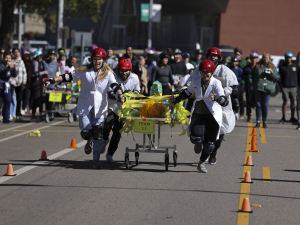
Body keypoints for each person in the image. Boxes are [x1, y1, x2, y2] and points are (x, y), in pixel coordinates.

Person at [42, 48, 124, 169]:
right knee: (86, 132)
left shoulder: (108, 73)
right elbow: (67, 77)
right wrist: (51, 80)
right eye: (95, 59)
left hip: (100, 106)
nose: (97, 61)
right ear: (92, 59)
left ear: (103, 60)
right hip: (85, 105)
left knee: (98, 134)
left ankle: (96, 160)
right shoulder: (84, 71)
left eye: (99, 59)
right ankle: (89, 139)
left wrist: (120, 94)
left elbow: (114, 85)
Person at [171, 60, 229, 173]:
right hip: (199, 113)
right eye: (202, 72)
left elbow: (224, 100)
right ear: (200, 72)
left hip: (212, 115)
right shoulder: (196, 80)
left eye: (207, 73)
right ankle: (198, 142)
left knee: (209, 146)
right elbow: (187, 93)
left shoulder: (216, 83)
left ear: (211, 72)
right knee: (196, 138)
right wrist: (176, 99)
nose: (205, 75)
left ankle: (201, 163)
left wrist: (217, 98)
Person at [186, 47, 238, 164]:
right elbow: (190, 82)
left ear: (219, 58)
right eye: (210, 56)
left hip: (220, 106)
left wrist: (222, 93)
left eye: (215, 56)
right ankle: (201, 144)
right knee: (201, 129)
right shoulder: (202, 66)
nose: (212, 58)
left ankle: (213, 153)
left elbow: (234, 86)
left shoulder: (224, 70)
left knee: (219, 133)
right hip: (204, 104)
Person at [102, 59, 140, 162]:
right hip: (113, 106)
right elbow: (109, 92)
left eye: (126, 71)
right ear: (118, 70)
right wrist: (117, 96)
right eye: (122, 71)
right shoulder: (113, 76)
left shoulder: (135, 77)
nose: (124, 73)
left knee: (117, 133)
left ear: (130, 70)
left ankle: (109, 154)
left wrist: (130, 96)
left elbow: (137, 92)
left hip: (125, 109)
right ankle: (105, 139)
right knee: (108, 123)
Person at [249, 53, 280, 128]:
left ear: (269, 58)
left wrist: (272, 73)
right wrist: (251, 84)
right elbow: (251, 76)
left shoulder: (273, 67)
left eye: (267, 58)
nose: (265, 59)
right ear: (262, 58)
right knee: (258, 105)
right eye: (264, 58)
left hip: (268, 88)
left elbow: (277, 77)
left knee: (265, 105)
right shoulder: (258, 66)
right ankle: (258, 121)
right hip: (258, 87)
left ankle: (265, 121)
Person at [29, 50, 49, 122]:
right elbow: (35, 74)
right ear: (37, 57)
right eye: (40, 56)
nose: (41, 58)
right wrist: (44, 72)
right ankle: (33, 116)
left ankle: (33, 115)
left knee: (37, 99)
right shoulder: (35, 62)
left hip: (35, 82)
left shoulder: (34, 62)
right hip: (35, 82)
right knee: (36, 99)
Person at [40, 50, 59, 120]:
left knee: (51, 99)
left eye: (53, 55)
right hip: (45, 83)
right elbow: (40, 72)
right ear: (48, 55)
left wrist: (56, 80)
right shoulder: (43, 62)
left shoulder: (56, 63)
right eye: (50, 55)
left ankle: (51, 113)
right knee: (44, 99)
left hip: (52, 84)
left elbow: (57, 73)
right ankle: (44, 113)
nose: (52, 56)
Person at [279, 52, 298, 123]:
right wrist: (281, 86)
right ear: (285, 58)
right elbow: (279, 77)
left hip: (293, 87)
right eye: (287, 58)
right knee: (285, 102)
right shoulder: (282, 66)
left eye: (289, 58)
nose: (288, 59)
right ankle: (283, 117)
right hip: (285, 87)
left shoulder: (294, 66)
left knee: (293, 102)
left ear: (291, 58)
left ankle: (292, 117)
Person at [0, 52, 17, 124]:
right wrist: (9, 68)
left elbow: (14, 75)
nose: (8, 60)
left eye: (9, 58)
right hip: (0, 86)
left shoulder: (10, 66)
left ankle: (6, 118)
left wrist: (14, 69)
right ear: (3, 58)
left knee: (8, 101)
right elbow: (3, 74)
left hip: (7, 86)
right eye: (6, 58)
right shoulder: (1, 65)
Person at [243, 52, 259, 122]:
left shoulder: (259, 67)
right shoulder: (246, 68)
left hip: (257, 88)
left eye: (255, 58)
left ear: (257, 59)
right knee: (248, 103)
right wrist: (248, 77)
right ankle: (248, 116)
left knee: (256, 103)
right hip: (249, 87)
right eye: (252, 58)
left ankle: (258, 117)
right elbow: (242, 76)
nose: (253, 60)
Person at [11, 48, 27, 117]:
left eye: (17, 52)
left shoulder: (21, 61)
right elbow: (10, 74)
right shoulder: (11, 61)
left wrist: (24, 80)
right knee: (12, 99)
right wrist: (12, 82)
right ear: (12, 53)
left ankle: (17, 113)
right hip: (13, 84)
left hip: (20, 83)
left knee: (19, 99)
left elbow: (24, 72)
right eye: (15, 52)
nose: (16, 54)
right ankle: (12, 113)